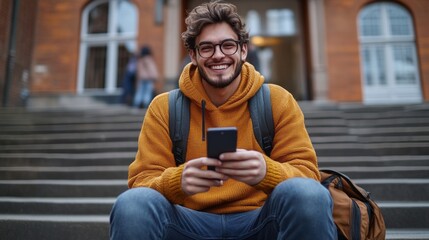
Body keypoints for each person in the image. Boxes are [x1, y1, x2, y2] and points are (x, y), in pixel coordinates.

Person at [110, 1, 336, 239]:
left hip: (262, 220)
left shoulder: (277, 100)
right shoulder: (164, 107)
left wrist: (267, 172)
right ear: (193, 56)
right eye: (206, 48)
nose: (218, 55)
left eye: (228, 45)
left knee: (307, 194)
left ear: (243, 51)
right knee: (133, 204)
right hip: (186, 223)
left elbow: (308, 176)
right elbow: (141, 182)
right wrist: (177, 182)